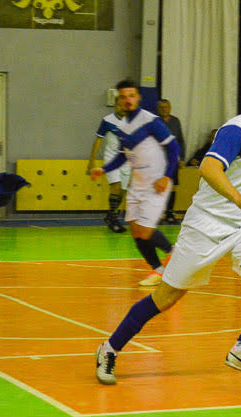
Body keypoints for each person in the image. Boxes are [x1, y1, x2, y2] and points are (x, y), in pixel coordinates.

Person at [95, 73, 241, 385]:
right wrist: (239, 197)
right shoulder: (236, 129)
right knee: (166, 298)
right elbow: (209, 167)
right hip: (206, 226)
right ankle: (109, 349)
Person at [90, 80, 180, 287]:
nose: (127, 100)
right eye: (123, 96)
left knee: (146, 230)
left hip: (156, 183)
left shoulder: (151, 121)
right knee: (135, 231)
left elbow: (174, 148)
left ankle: (177, 255)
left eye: (131, 95)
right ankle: (159, 272)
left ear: (138, 97)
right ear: (118, 100)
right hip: (136, 184)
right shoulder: (122, 127)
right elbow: (123, 156)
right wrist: (103, 169)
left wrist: (166, 176)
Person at [87, 98, 129, 233]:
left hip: (127, 160)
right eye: (119, 105)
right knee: (115, 185)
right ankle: (114, 219)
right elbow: (98, 140)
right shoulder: (107, 120)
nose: (122, 108)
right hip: (111, 159)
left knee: (123, 190)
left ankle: (110, 215)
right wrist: (92, 160)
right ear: (115, 106)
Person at [157, 99, 186, 224]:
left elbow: (180, 140)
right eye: (161, 107)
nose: (164, 109)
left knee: (172, 187)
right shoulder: (154, 121)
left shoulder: (175, 121)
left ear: (170, 108)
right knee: (158, 187)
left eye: (166, 107)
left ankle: (169, 213)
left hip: (173, 160)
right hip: (157, 161)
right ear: (158, 109)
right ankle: (156, 214)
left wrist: (182, 158)